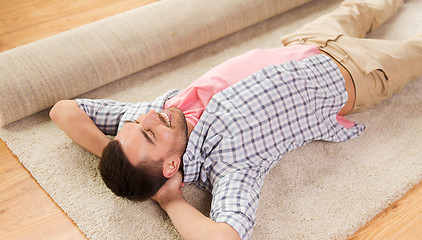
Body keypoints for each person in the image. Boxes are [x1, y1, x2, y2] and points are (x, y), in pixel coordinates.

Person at [49, 0, 422, 239]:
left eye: (134, 128)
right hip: (355, 73)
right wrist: (169, 199)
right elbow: (225, 236)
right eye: (148, 135)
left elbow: (63, 111)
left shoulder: (156, 116)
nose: (148, 116)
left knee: (367, 5)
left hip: (304, 42)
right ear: (171, 166)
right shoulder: (230, 163)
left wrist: (113, 151)